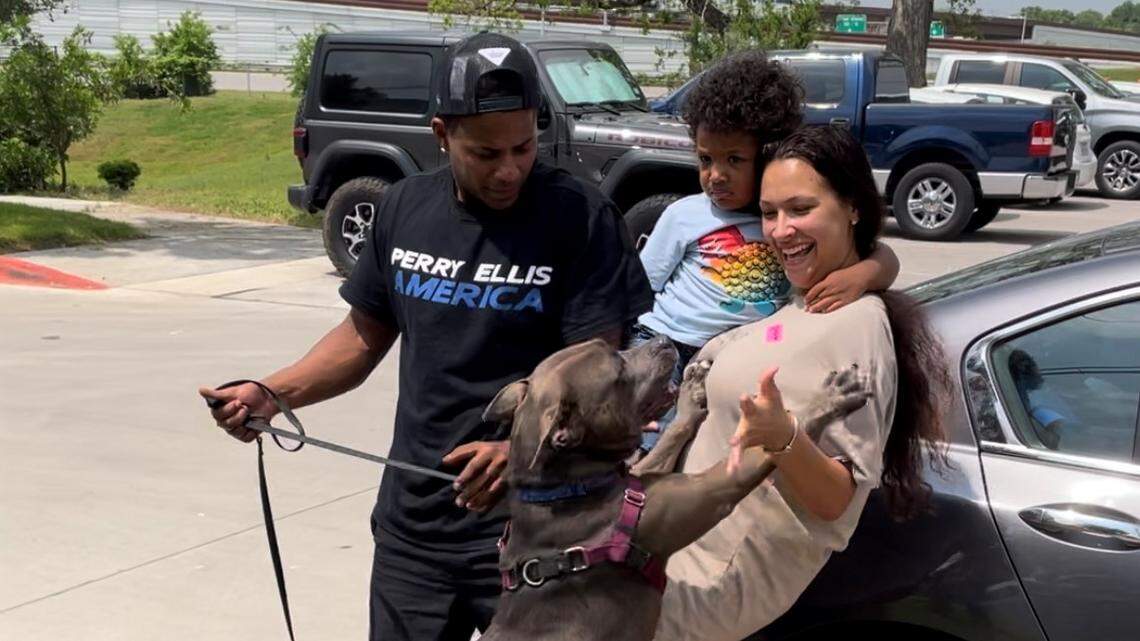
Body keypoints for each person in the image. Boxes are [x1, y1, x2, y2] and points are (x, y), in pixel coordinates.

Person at [199, 32, 653, 641]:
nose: (510, 167)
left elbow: (599, 379)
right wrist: (271, 392)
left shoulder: (581, 217)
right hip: (414, 531)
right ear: (442, 135)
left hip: (534, 535)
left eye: (524, 146)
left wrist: (516, 453)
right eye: (485, 153)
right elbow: (362, 339)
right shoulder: (404, 208)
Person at [654, 125, 951, 641]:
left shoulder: (856, 326)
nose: (779, 230)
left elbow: (837, 499)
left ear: (853, 207)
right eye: (770, 213)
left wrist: (783, 436)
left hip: (706, 591)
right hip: (673, 554)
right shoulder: (809, 296)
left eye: (800, 209)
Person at [634, 50, 899, 449]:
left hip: (727, 356)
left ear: (766, 156)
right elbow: (640, 286)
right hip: (666, 346)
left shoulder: (782, 222)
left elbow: (884, 256)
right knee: (648, 444)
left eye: (734, 160)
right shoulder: (685, 214)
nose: (716, 175)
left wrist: (861, 275)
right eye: (705, 159)